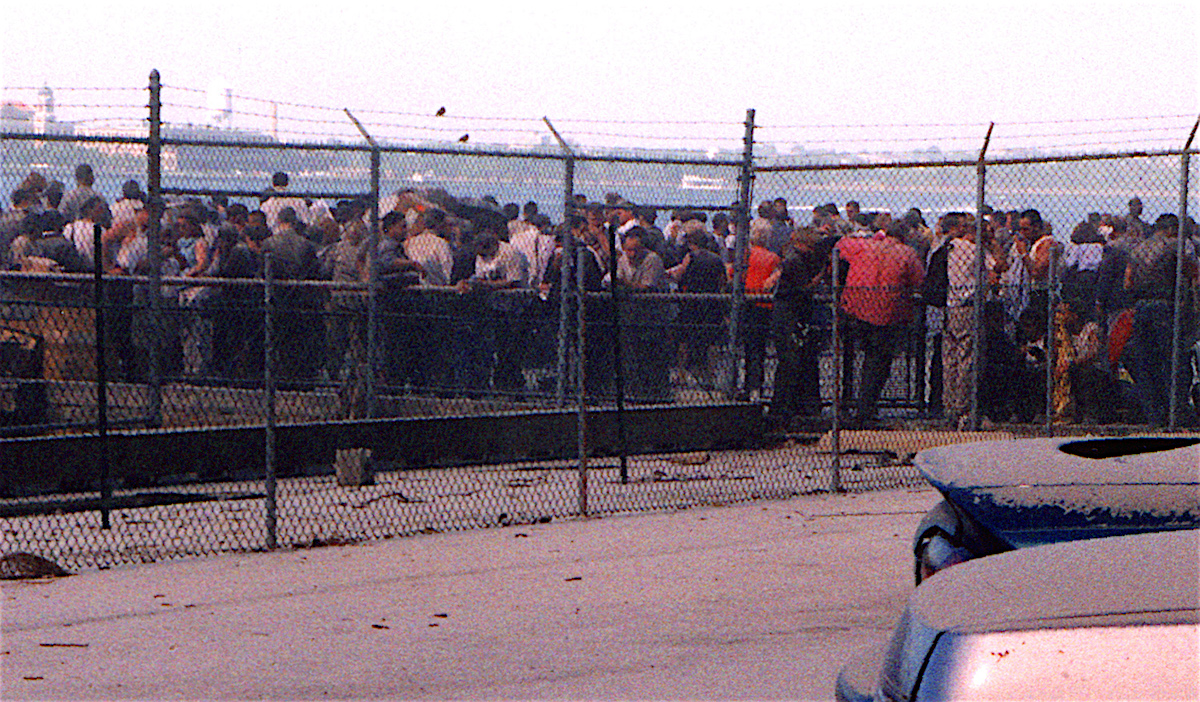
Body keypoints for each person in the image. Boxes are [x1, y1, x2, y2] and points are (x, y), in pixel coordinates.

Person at [835, 222, 925, 426]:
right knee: (879, 362)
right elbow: (919, 280)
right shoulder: (907, 253)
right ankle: (866, 408)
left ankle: (855, 404)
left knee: (860, 359)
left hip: (856, 308)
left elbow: (839, 245)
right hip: (887, 312)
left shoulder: (865, 246)